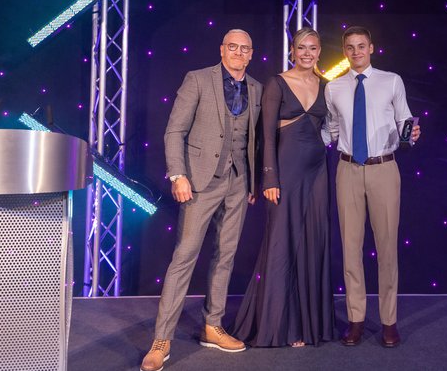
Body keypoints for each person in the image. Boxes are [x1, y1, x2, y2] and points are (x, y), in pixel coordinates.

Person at [140, 29, 262, 371]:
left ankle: (213, 326)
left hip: (239, 182)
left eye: (245, 48)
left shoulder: (257, 88)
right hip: (199, 182)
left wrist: (254, 180)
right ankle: (161, 340)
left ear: (251, 54)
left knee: (226, 256)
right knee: (184, 256)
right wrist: (178, 174)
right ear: (222, 50)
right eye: (232, 47)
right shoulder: (197, 79)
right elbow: (174, 130)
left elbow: (255, 139)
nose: (238, 52)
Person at [233, 27, 335, 347]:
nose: (307, 53)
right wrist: (269, 178)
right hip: (285, 171)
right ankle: (283, 327)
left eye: (313, 48)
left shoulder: (326, 86)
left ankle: (310, 326)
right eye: (301, 48)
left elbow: (333, 129)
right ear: (293, 51)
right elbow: (265, 135)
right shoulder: (277, 83)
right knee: (282, 243)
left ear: (319, 52)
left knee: (314, 240)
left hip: (318, 170)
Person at [324, 26, 420, 348]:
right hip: (348, 170)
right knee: (350, 249)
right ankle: (356, 320)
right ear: (344, 52)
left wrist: (410, 135)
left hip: (384, 169)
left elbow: (405, 121)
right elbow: (331, 131)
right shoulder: (334, 87)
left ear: (371, 48)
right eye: (350, 47)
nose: (356, 52)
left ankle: (389, 321)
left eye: (361, 46)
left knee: (387, 248)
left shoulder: (391, 81)